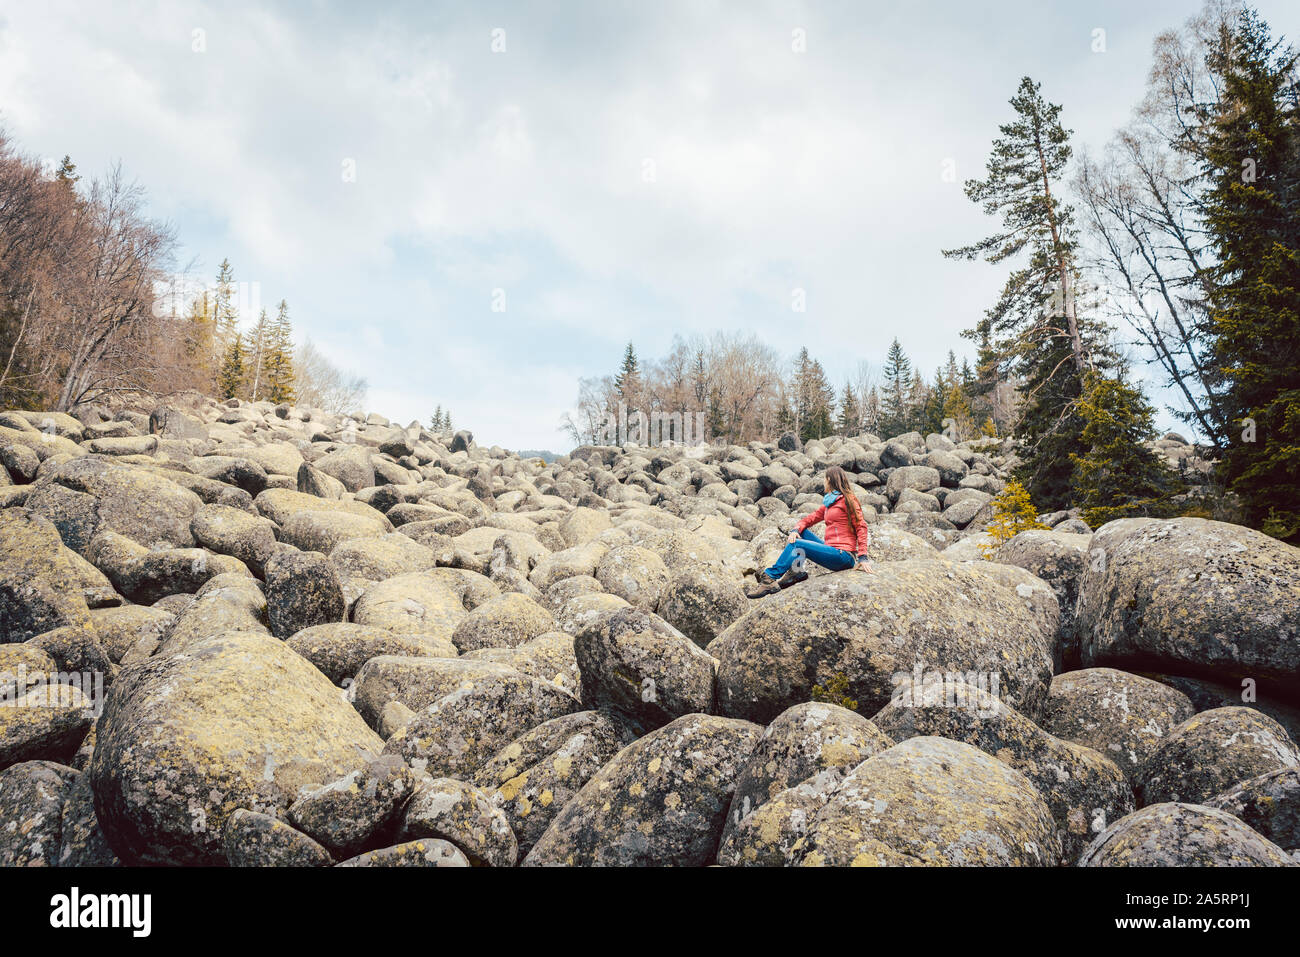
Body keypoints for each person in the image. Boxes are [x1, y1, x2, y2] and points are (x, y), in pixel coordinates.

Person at [746, 465, 872, 598]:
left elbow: (861, 526)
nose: (824, 482)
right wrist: (795, 530)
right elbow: (809, 519)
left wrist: (862, 556)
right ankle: (796, 572)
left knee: (797, 544)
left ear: (830, 479)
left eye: (825, 479)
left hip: (844, 556)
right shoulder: (830, 503)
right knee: (802, 532)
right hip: (832, 549)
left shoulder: (848, 499)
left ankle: (769, 579)